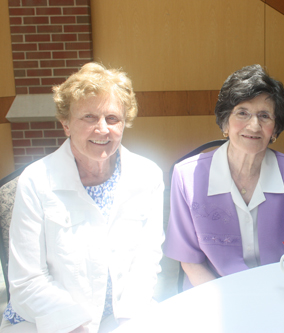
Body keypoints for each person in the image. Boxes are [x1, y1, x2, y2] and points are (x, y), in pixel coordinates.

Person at [1, 63, 165, 333]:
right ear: (65, 123)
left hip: (123, 316)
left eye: (112, 118)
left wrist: (132, 321)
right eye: (89, 117)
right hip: (47, 321)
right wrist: (75, 325)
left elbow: (147, 261)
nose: (102, 129)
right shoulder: (36, 181)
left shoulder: (147, 176)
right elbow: (26, 281)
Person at [164, 64, 284, 288]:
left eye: (264, 116)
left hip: (280, 291)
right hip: (213, 294)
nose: (254, 125)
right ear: (225, 122)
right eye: (242, 113)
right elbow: (189, 261)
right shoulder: (186, 176)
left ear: (275, 130)